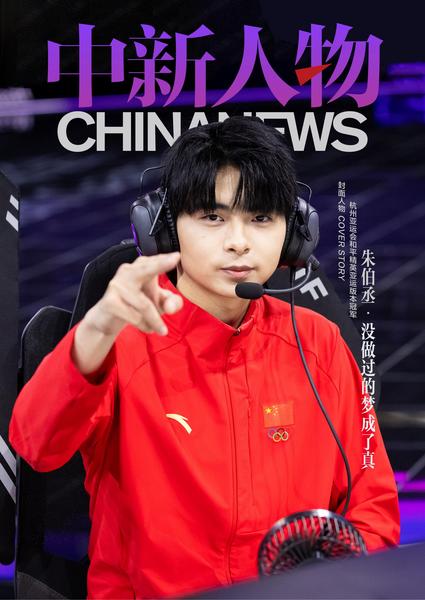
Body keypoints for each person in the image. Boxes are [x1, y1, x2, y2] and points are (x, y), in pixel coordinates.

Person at [9, 117, 400, 599]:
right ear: (165, 229)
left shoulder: (319, 344)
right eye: (213, 217)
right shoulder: (119, 342)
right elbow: (37, 444)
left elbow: (372, 505)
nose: (239, 241)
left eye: (261, 218)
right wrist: (93, 333)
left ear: (294, 234)